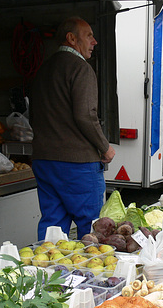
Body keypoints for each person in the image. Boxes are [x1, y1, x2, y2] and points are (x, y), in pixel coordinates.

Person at [30, 17, 115, 241]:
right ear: (71, 38)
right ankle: (96, 274)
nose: (94, 41)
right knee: (95, 228)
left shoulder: (43, 69)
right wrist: (104, 147)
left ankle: (46, 272)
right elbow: (86, 115)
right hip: (77, 165)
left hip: (44, 161)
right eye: (89, 35)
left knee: (52, 226)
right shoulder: (81, 69)